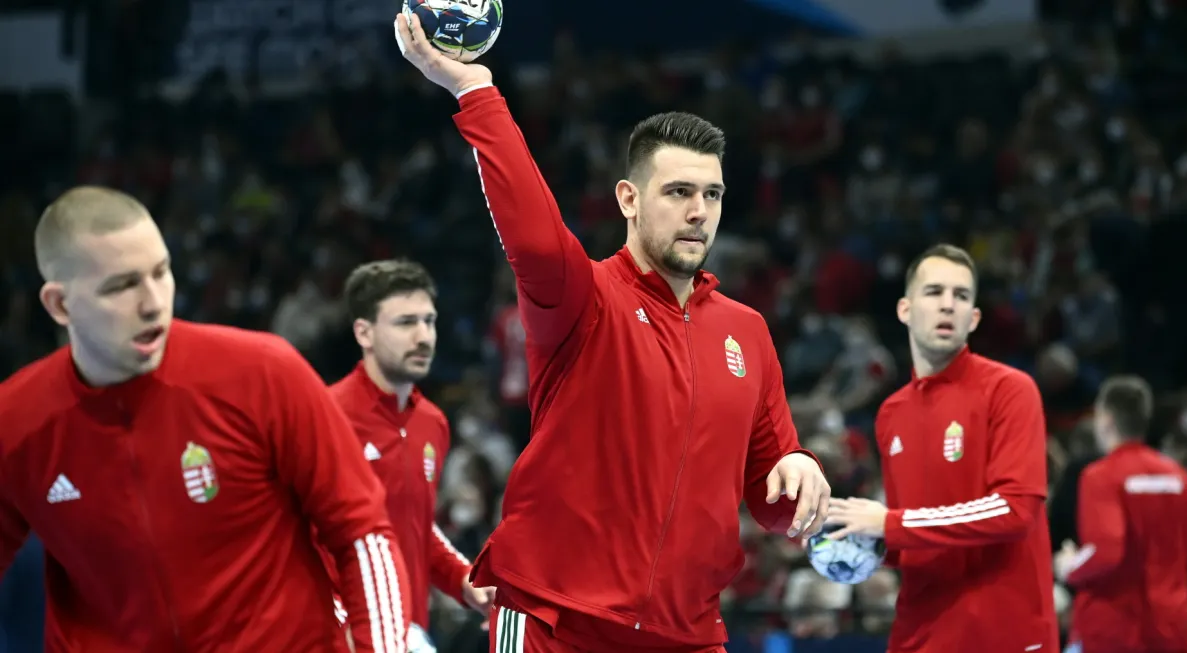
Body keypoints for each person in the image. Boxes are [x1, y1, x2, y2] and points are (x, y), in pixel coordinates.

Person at [393, 14, 830, 653]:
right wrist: (476, 91)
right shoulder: (584, 298)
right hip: (551, 617)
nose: (698, 212)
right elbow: (536, 239)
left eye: (712, 195)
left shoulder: (748, 332)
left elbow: (769, 499)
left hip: (686, 634)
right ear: (628, 199)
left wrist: (799, 469)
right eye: (678, 191)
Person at [0, 186, 413, 653]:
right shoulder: (15, 422)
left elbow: (363, 533)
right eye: (121, 286)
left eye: (161, 272)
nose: (153, 302)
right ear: (59, 305)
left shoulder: (264, 373)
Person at [825, 244, 1059, 653]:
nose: (948, 305)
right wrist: (855, 539)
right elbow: (913, 533)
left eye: (961, 296)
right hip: (920, 633)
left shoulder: (1010, 390)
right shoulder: (890, 414)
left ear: (974, 319)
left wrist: (890, 525)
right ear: (904, 310)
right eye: (934, 293)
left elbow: (1015, 508)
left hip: (1001, 635)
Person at [327, 259, 496, 632]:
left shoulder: (432, 423)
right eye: (405, 323)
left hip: (411, 628)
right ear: (364, 333)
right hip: (344, 636)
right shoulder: (327, 418)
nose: (423, 337)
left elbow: (417, 526)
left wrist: (464, 582)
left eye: (429, 321)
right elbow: (303, 544)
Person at [1054, 375, 1187, 653]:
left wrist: (1068, 566)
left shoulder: (1100, 477)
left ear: (1106, 420)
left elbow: (1106, 552)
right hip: (1170, 632)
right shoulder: (1179, 478)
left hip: (1110, 635)